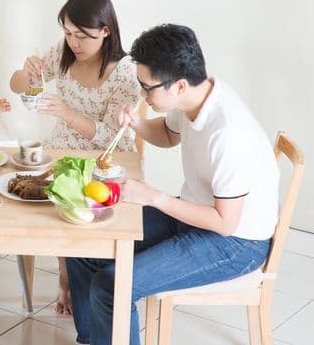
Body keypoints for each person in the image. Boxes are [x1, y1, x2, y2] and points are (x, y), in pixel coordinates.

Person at [66, 24, 278, 345]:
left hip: (236, 242)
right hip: (195, 213)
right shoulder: (195, 97)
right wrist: (136, 122)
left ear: (178, 85)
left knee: (112, 286)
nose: (142, 95)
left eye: (147, 88)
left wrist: (153, 197)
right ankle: (94, 339)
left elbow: (225, 222)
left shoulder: (228, 133)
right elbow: (167, 135)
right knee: (83, 246)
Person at [9, 0, 140, 315]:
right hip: (62, 152)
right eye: (68, 33)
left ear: (105, 31)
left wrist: (67, 112)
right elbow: (16, 86)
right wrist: (27, 73)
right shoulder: (64, 52)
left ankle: (78, 281)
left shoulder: (124, 73)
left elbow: (114, 137)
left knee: (76, 203)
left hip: (105, 159)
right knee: (34, 197)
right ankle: (67, 277)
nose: (74, 43)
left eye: (82, 35)